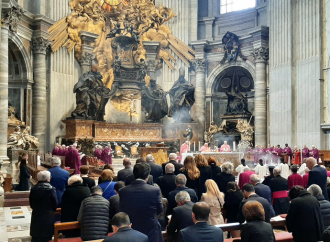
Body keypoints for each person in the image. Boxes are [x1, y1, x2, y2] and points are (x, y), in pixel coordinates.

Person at [119, 163, 164, 242]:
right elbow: (160, 210)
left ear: (133, 174)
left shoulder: (123, 191)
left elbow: (122, 210)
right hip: (151, 228)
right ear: (147, 176)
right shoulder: (155, 190)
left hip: (132, 229)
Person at [29, 171, 58, 242]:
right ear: (48, 179)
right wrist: (52, 210)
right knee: (47, 236)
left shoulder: (33, 189)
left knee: (37, 234)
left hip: (37, 213)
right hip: (48, 214)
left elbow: (31, 203)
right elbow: (55, 203)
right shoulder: (51, 189)